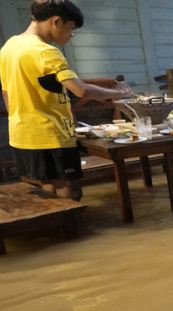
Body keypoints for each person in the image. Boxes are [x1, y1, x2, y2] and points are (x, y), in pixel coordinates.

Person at [0, 0, 131, 200]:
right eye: (71, 28)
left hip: (22, 134)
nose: (72, 34)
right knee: (70, 192)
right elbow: (81, 91)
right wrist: (120, 93)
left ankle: (56, 230)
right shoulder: (46, 52)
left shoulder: (9, 46)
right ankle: (79, 231)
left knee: (48, 189)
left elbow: (6, 92)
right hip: (50, 135)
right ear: (57, 21)